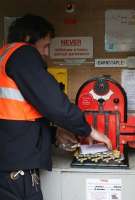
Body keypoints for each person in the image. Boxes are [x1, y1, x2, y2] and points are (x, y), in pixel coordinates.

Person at [0, 14, 112, 200]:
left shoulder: (5, 55)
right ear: (28, 39)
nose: (46, 53)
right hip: (15, 168)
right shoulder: (23, 53)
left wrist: (53, 135)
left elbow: (16, 116)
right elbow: (54, 104)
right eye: (46, 46)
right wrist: (89, 130)